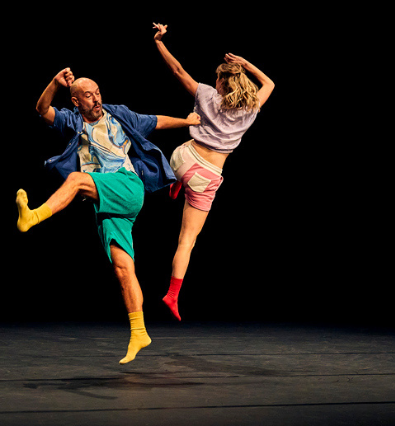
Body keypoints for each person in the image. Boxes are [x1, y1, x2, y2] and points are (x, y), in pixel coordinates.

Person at [16, 67, 200, 364]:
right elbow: (42, 109)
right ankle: (139, 332)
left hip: (128, 186)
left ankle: (33, 217)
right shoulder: (71, 120)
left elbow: (156, 121)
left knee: (75, 180)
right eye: (88, 96)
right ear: (76, 101)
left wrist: (188, 121)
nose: (96, 99)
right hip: (104, 201)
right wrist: (53, 83)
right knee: (122, 269)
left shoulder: (118, 115)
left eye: (98, 93)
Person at [152, 23, 275, 321]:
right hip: (207, 176)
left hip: (182, 158)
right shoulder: (252, 108)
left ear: (220, 81)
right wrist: (245, 64)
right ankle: (172, 294)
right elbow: (270, 83)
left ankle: (175, 182)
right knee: (187, 240)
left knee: (182, 145)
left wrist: (158, 42)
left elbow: (178, 71)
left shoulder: (206, 94)